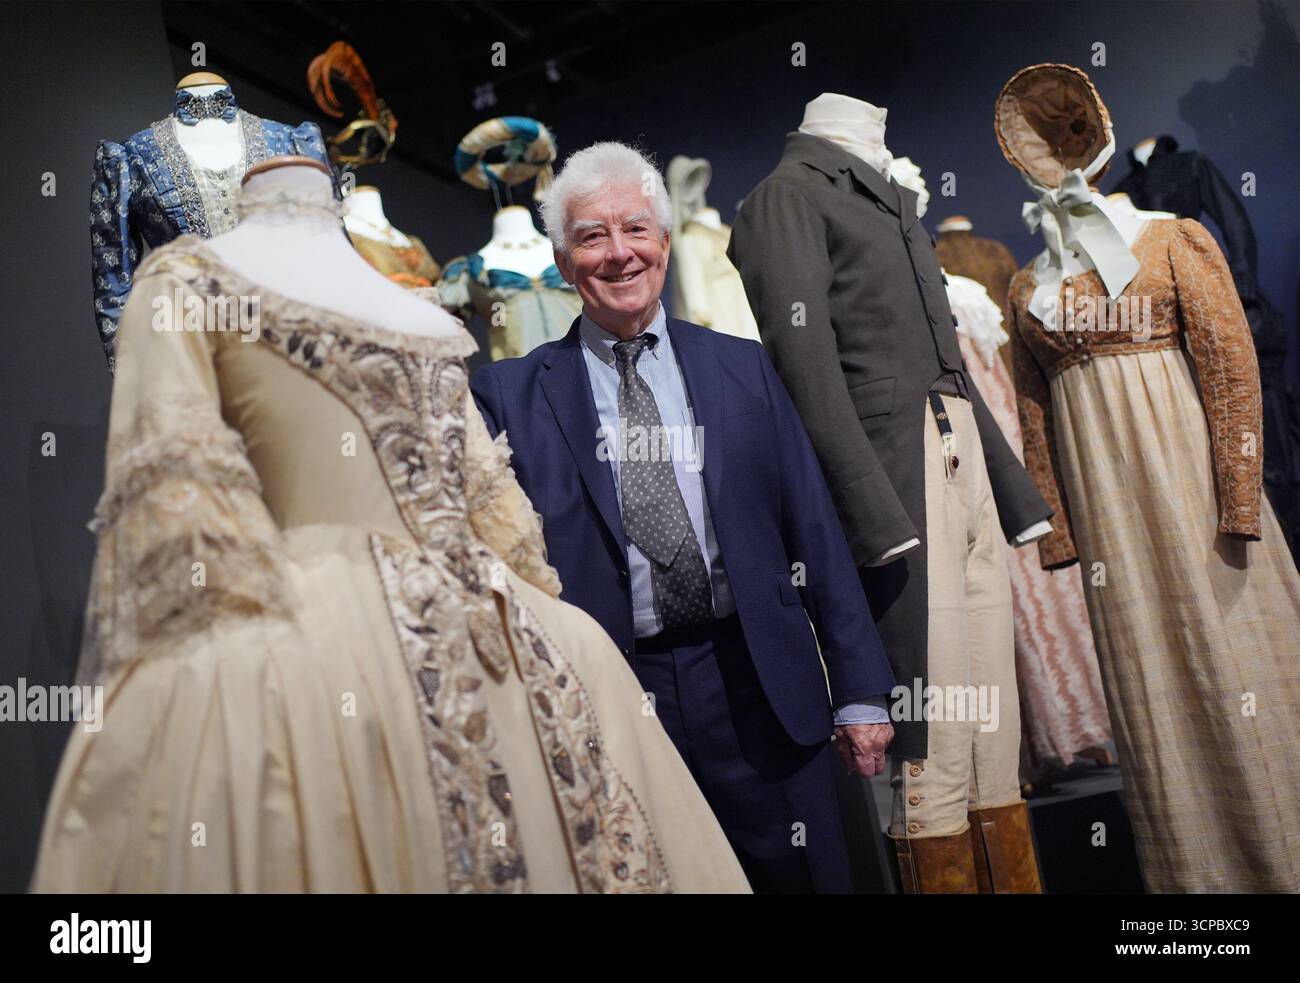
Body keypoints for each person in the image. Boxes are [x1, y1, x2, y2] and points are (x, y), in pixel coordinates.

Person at [471, 142, 896, 893]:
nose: (618, 253)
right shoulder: (507, 395)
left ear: (663, 243)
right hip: (616, 699)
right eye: (592, 237)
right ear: (564, 262)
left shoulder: (743, 366)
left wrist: (860, 686)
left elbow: (815, 527)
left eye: (635, 229)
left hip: (760, 683)